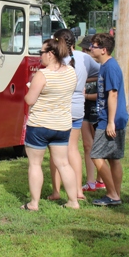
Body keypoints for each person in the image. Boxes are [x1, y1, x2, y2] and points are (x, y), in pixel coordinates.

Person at [21, 37, 79, 210]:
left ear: (51, 54)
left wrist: (30, 87)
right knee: (63, 163)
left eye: (42, 52)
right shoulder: (71, 72)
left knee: (35, 164)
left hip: (40, 125)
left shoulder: (42, 74)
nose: (40, 56)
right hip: (62, 125)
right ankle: (73, 201)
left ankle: (34, 203)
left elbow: (29, 100)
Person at [47, 30, 99, 202]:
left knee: (56, 150)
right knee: (73, 149)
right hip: (78, 108)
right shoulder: (84, 57)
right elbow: (100, 72)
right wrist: (83, 82)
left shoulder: (55, 57)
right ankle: (78, 190)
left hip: (60, 107)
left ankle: (56, 191)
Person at [89, 33, 128, 206]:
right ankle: (115, 194)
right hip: (111, 117)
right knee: (113, 158)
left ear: (103, 50)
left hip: (110, 119)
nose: (91, 48)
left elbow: (113, 94)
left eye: (94, 46)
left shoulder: (110, 67)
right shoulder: (105, 66)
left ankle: (112, 194)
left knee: (96, 155)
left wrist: (110, 121)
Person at [79, 35, 105, 192]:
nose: (84, 52)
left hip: (96, 106)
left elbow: (104, 93)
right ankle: (90, 182)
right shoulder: (82, 63)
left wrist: (86, 94)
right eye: (82, 49)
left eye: (86, 49)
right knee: (87, 145)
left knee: (98, 145)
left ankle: (101, 179)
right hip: (84, 107)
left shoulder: (103, 66)